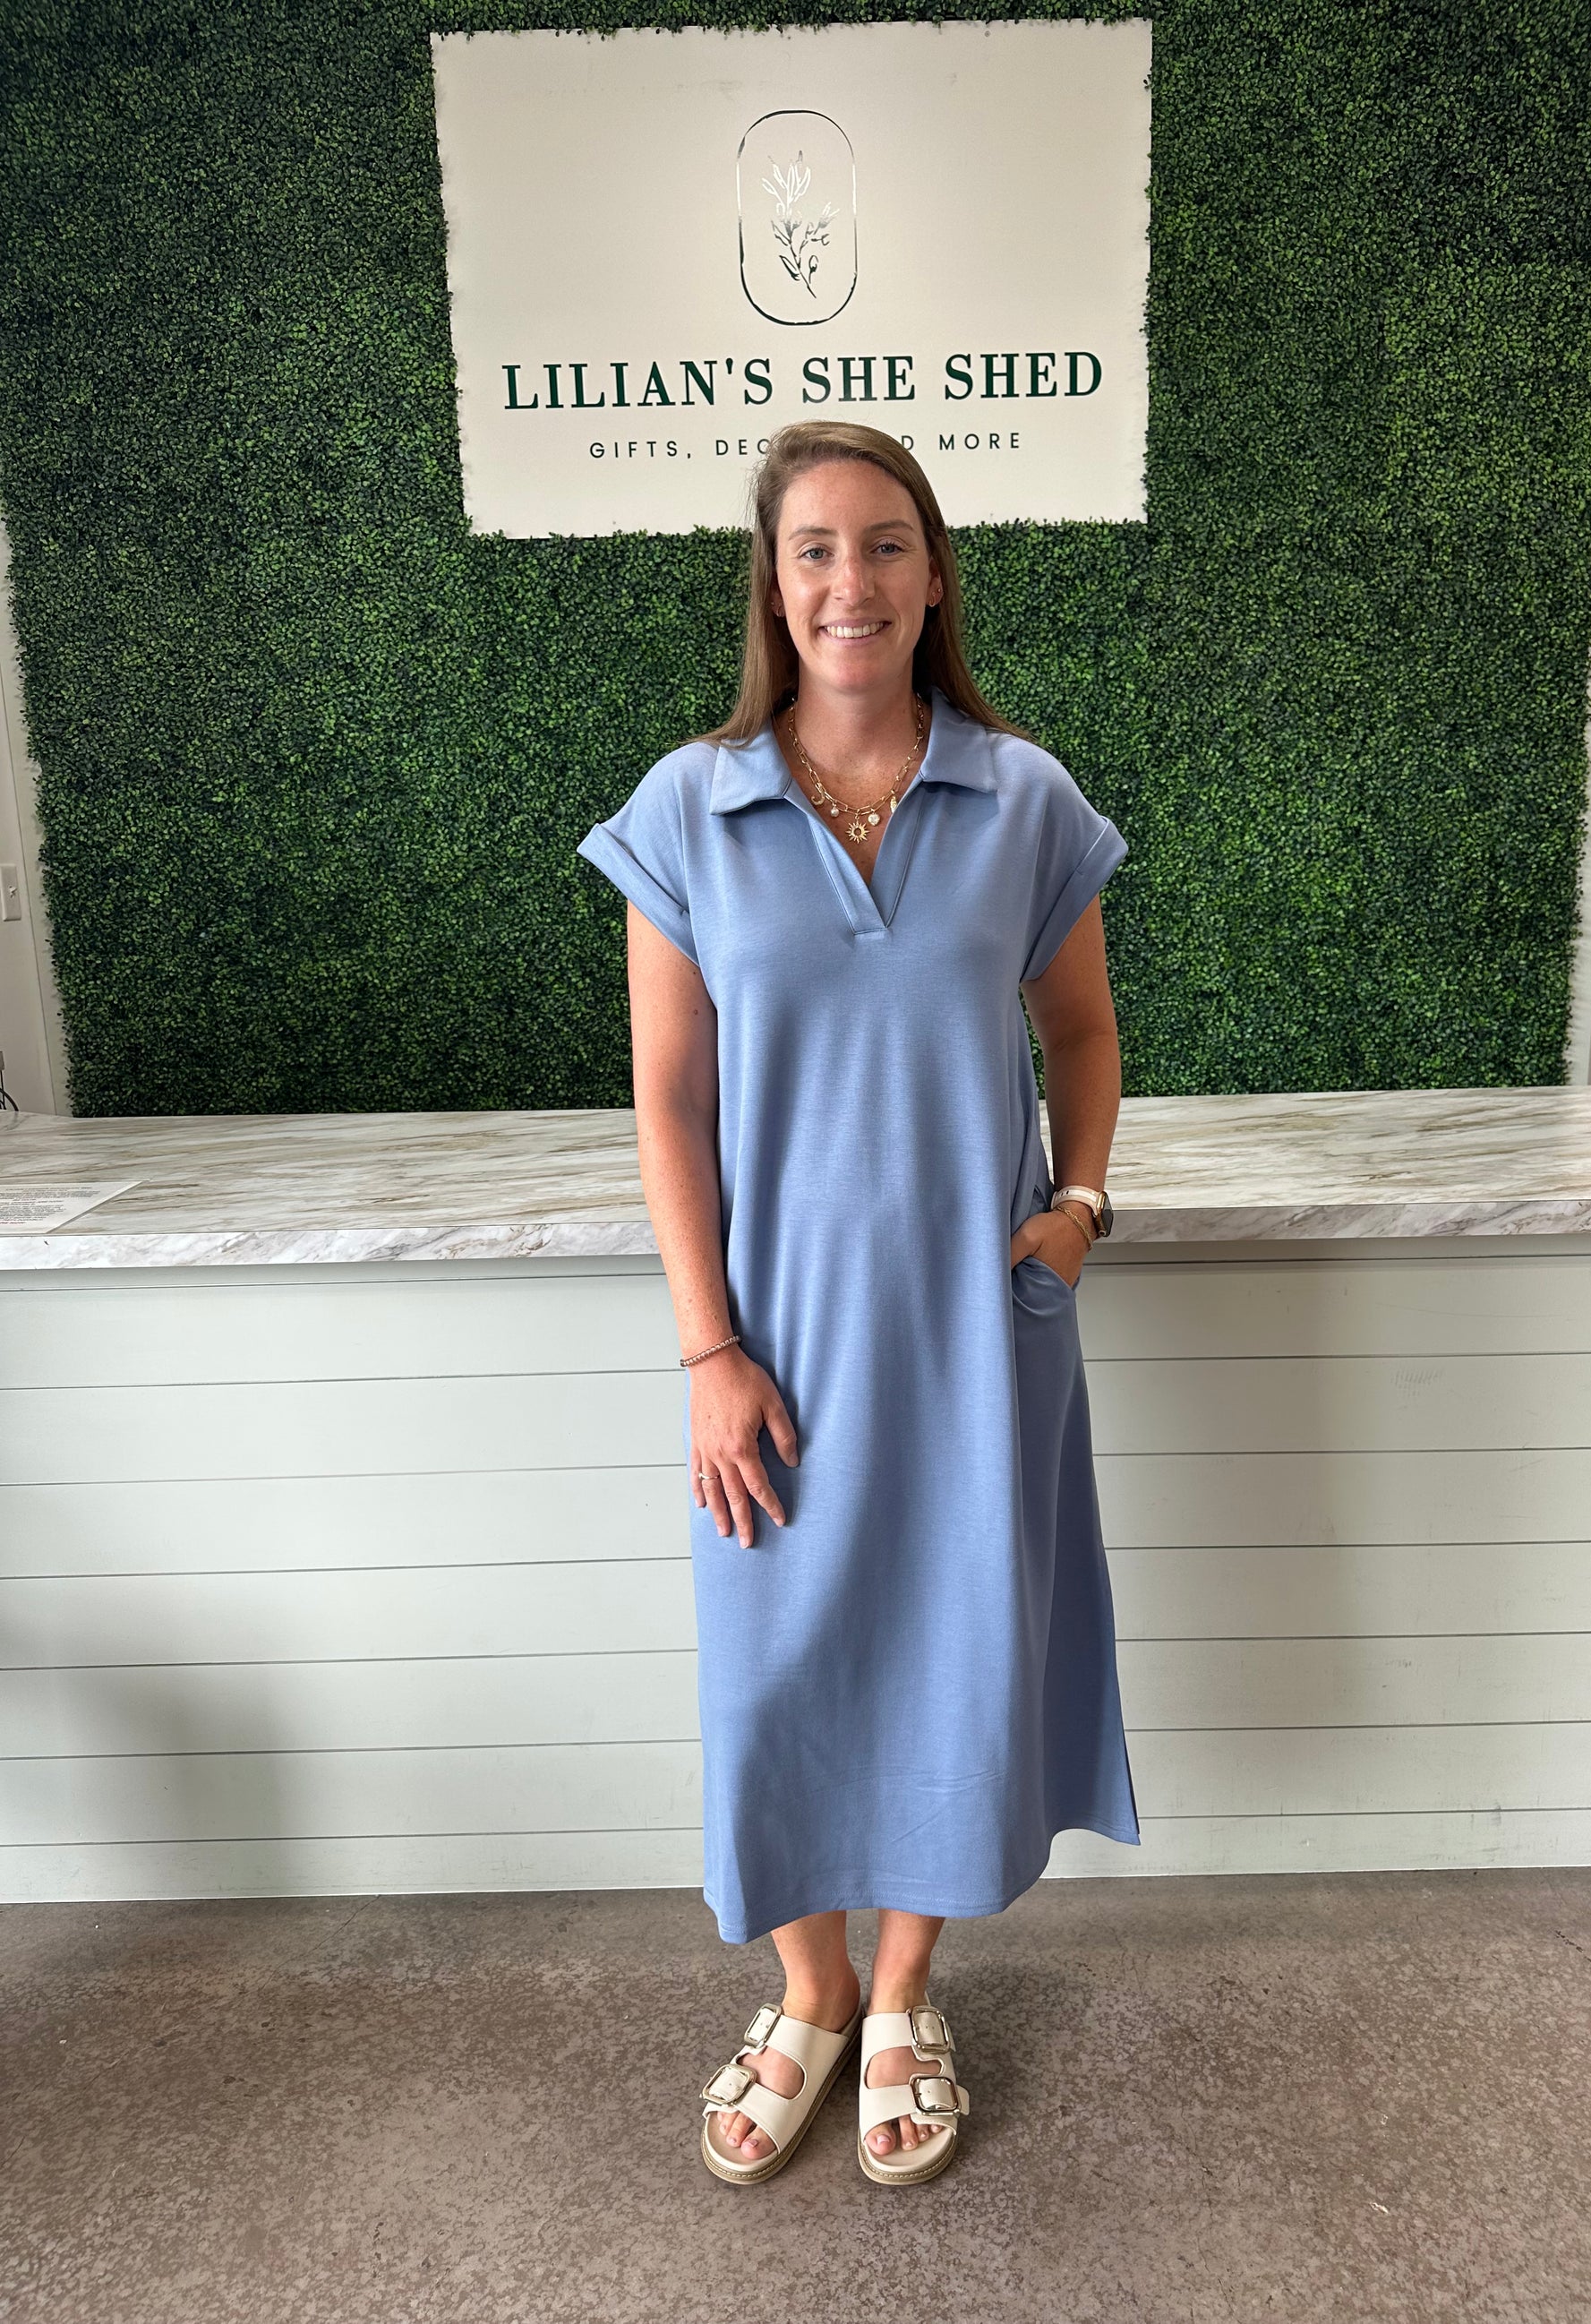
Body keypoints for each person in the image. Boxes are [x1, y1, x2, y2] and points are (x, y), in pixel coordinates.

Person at [576, 421, 1140, 2188]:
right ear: (771, 582)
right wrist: (708, 1349)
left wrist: (1074, 1209)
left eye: (885, 543)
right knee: (781, 1667)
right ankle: (805, 1989)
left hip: (976, 1330)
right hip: (775, 1341)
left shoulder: (1019, 796)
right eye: (813, 547)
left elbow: (1082, 1036)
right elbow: (668, 1100)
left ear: (935, 573)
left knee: (954, 1654)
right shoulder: (691, 805)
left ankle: (901, 1993)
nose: (851, 581)